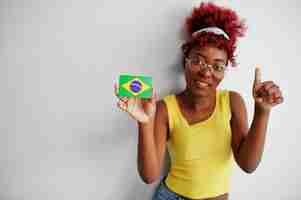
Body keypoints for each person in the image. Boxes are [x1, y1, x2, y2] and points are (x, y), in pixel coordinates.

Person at [114, 2, 283, 200]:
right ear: (185, 59)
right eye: (198, 61)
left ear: (225, 70)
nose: (206, 72)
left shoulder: (232, 102)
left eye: (217, 66)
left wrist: (262, 112)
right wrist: (144, 123)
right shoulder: (164, 108)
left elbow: (248, 164)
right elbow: (149, 175)